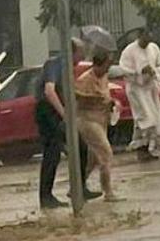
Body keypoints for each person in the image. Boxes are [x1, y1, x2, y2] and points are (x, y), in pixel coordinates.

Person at [36, 38, 100, 209]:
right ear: (72, 52)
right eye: (81, 52)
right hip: (47, 112)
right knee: (52, 153)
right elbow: (49, 91)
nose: (83, 56)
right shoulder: (55, 64)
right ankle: (46, 197)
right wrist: (64, 114)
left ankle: (78, 188)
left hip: (56, 112)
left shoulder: (68, 69)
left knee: (80, 147)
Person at [74, 46, 120, 202]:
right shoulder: (84, 80)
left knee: (93, 159)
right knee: (106, 153)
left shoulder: (104, 76)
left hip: (102, 119)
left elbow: (106, 93)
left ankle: (77, 186)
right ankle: (108, 192)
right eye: (106, 65)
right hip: (88, 121)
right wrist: (94, 98)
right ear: (97, 64)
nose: (108, 69)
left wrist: (111, 102)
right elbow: (77, 98)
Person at [119, 29, 160, 161]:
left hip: (150, 89)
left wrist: (154, 72)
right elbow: (124, 68)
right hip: (137, 90)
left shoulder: (153, 48)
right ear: (139, 37)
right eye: (145, 39)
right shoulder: (129, 51)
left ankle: (148, 149)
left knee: (154, 119)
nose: (147, 43)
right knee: (144, 118)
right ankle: (141, 149)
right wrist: (140, 71)